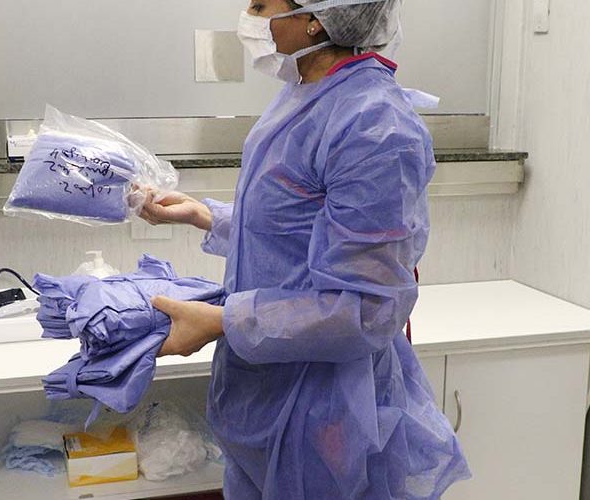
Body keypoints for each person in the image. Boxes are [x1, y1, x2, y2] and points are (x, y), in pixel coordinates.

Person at [140, 0, 470, 497]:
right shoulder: (305, 93)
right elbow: (292, 227)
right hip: (266, 385)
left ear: (316, 17)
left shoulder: (374, 126)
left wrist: (223, 321)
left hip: (324, 402)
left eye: (261, 5)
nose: (249, 17)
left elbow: (366, 309)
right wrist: (204, 215)